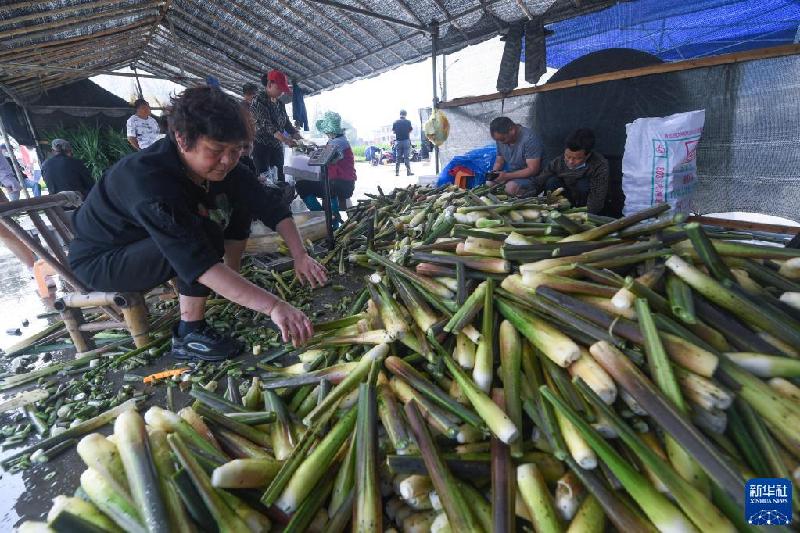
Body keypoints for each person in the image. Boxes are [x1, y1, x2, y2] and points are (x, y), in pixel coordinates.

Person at [68, 87, 327, 361]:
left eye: (236, 150)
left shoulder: (225, 168)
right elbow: (196, 259)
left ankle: (229, 280)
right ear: (182, 139)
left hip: (146, 245)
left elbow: (273, 209)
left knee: (236, 205)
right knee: (204, 233)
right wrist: (275, 306)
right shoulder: (147, 179)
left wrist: (300, 255)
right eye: (216, 150)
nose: (227, 161)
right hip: (102, 261)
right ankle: (189, 331)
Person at [531, 129, 609, 214]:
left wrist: (584, 216)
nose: (570, 161)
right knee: (551, 181)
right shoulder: (558, 162)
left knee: (583, 185)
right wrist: (522, 198)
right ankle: (554, 211)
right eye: (567, 156)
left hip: (584, 205)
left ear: (588, 155)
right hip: (564, 200)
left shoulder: (599, 165)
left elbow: (597, 198)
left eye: (577, 158)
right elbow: (539, 182)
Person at [296, 111, 356, 223]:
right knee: (320, 184)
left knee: (301, 186)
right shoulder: (338, 140)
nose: (326, 133)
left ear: (330, 130)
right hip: (339, 182)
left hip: (340, 184)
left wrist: (309, 152)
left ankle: (327, 218)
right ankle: (326, 216)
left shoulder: (338, 142)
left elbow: (324, 159)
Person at [250, 70, 302, 181]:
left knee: (280, 179)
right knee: (266, 180)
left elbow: (286, 123)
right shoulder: (258, 100)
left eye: (283, 90)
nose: (282, 93)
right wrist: (286, 140)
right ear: (269, 85)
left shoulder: (279, 103)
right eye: (279, 89)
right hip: (262, 147)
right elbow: (268, 125)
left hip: (277, 147)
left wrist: (296, 134)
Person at [487, 117, 543, 196]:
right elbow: (499, 161)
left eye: (503, 139)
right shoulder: (500, 140)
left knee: (510, 188)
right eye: (498, 140)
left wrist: (507, 176)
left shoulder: (529, 138)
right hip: (511, 174)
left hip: (531, 177)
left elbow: (533, 169)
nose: (501, 143)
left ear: (512, 130)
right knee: (489, 183)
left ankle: (530, 195)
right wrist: (494, 173)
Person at [392, 110, 414, 177]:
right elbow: (410, 130)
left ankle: (397, 172)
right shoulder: (408, 122)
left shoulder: (395, 122)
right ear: (405, 115)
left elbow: (393, 131)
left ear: (400, 114)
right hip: (406, 141)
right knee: (406, 157)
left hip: (398, 141)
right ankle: (408, 172)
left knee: (398, 157)